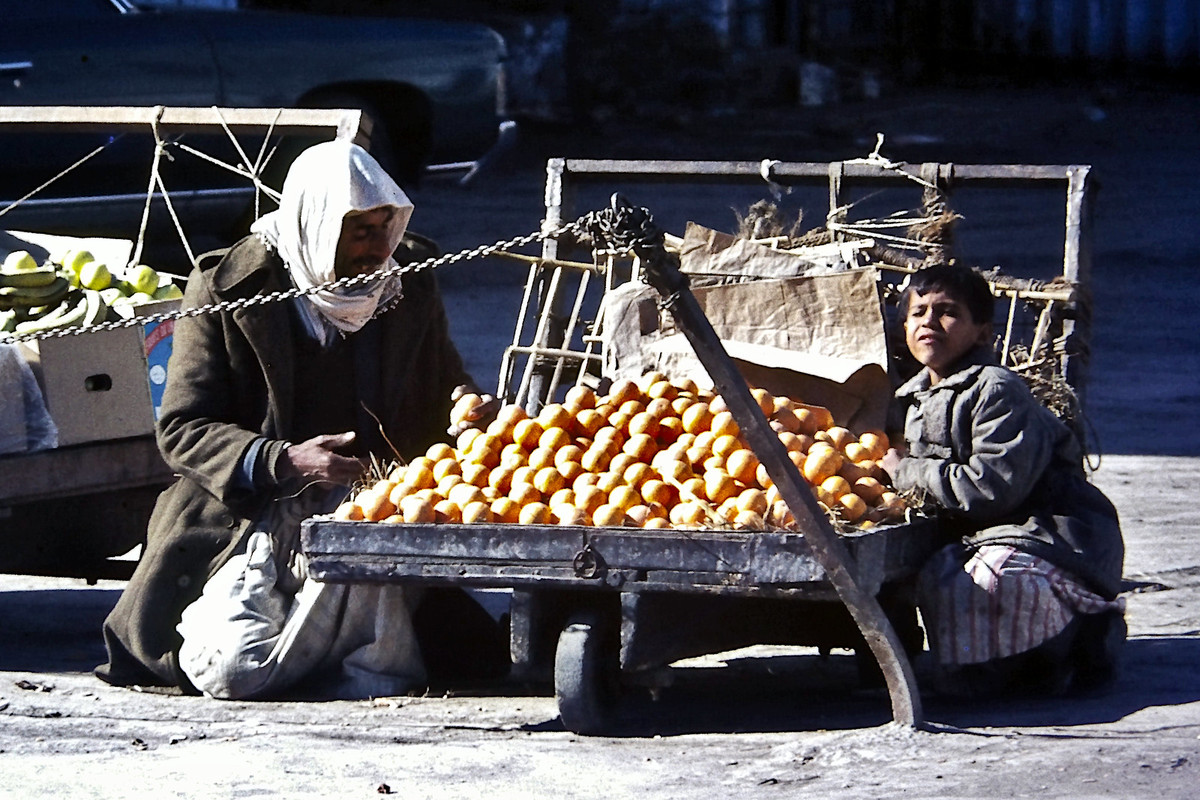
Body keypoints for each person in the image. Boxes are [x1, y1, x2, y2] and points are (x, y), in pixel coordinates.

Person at [95, 139, 504, 699]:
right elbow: (183, 427)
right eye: (360, 231)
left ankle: (337, 645)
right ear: (317, 225)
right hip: (254, 519)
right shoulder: (225, 287)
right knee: (236, 667)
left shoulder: (407, 283)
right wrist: (283, 459)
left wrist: (466, 403)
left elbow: (444, 385)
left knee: (424, 665)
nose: (378, 248)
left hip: (370, 515)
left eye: (387, 227)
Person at [882, 263, 1126, 697]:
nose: (928, 322)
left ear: (981, 332)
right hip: (979, 531)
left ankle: (1076, 638)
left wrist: (906, 472)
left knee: (992, 578)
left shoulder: (996, 389)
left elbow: (992, 488)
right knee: (924, 572)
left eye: (947, 312)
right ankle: (987, 666)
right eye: (918, 312)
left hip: (1046, 531)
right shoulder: (912, 397)